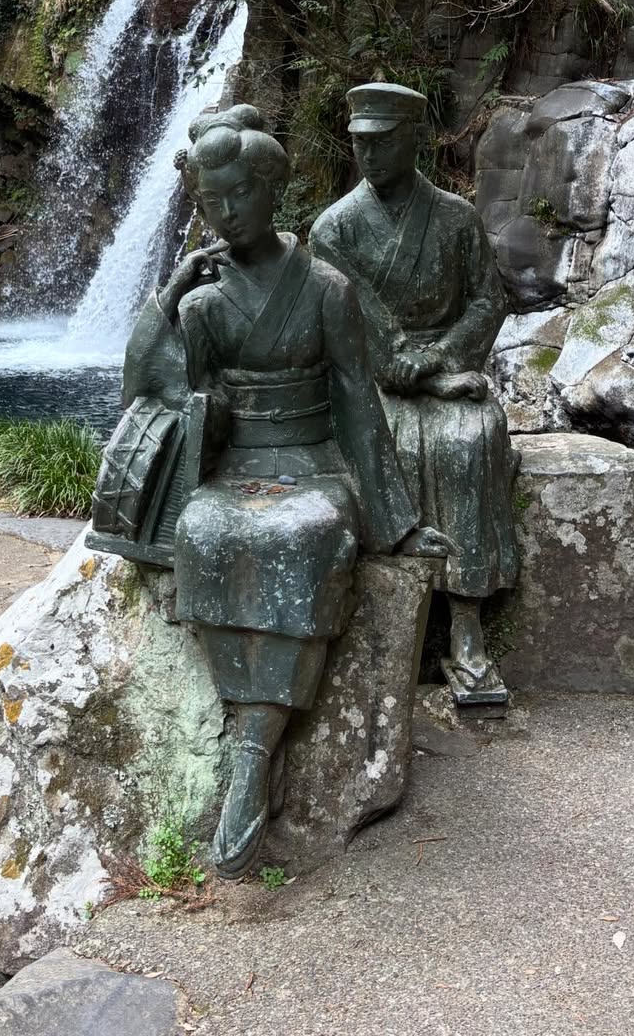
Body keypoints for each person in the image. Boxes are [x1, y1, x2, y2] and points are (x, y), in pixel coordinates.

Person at [121, 104, 447, 879]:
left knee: (302, 537)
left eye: (240, 194)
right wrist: (169, 295)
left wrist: (395, 521)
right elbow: (146, 389)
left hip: (312, 461)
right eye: (211, 201)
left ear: (273, 190)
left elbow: (358, 404)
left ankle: (253, 751)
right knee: (205, 531)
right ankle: (249, 732)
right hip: (236, 464)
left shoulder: (327, 289)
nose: (227, 213)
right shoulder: (203, 299)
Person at [310, 82, 519, 707]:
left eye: (382, 142)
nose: (369, 155)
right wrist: (416, 372)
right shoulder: (334, 229)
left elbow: (488, 300)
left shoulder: (455, 217)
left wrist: (441, 358)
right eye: (359, 144)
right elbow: (351, 321)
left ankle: (466, 624)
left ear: (414, 141)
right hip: (372, 377)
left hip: (450, 366)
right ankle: (374, 616)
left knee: (471, 439)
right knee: (377, 440)